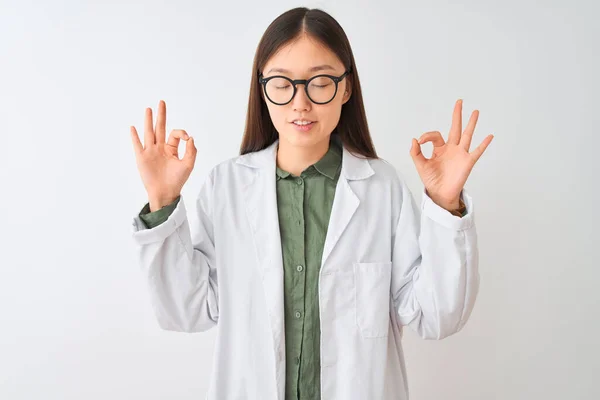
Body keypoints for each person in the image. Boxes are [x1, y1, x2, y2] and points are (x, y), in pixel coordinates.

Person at [129, 7, 493, 400]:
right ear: (262, 87)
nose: (300, 103)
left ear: (346, 87)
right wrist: (163, 201)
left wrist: (445, 204)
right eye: (282, 83)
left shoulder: (382, 188)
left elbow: (435, 315)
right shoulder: (227, 187)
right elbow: (186, 310)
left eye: (320, 82)